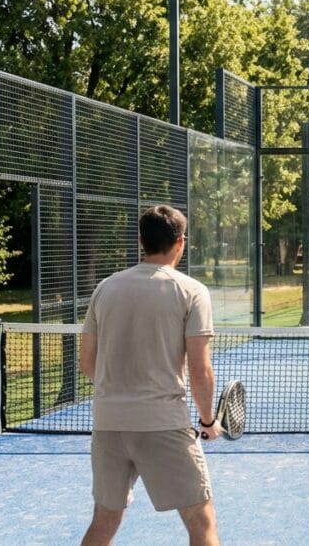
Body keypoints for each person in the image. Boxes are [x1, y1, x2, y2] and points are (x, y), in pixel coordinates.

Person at [78, 205, 220, 546]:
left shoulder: (105, 288)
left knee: (104, 520)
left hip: (108, 423)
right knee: (202, 522)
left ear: (141, 240)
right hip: (163, 424)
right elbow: (200, 371)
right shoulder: (192, 291)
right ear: (181, 243)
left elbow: (87, 362)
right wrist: (208, 420)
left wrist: (120, 393)